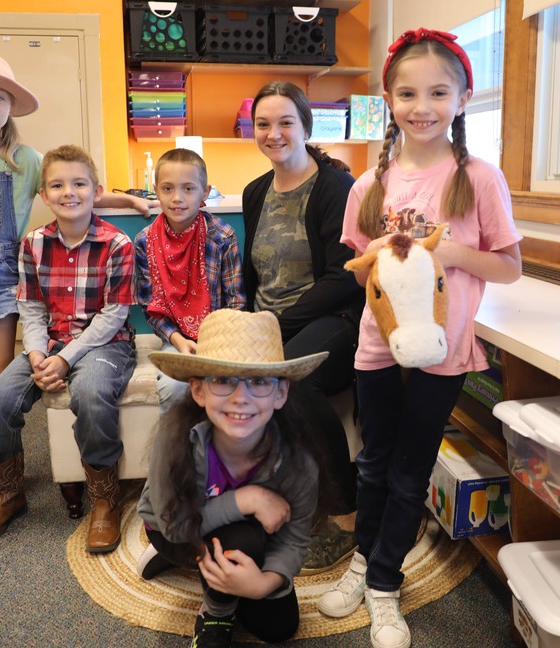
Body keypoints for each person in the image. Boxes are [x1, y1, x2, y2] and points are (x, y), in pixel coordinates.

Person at [317, 29, 522, 648]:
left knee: (411, 470)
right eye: (407, 93)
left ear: (462, 99)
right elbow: (356, 267)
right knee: (374, 460)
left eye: (438, 92)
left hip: (445, 347)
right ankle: (362, 560)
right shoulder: (368, 186)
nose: (422, 106)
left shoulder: (477, 178)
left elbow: (509, 266)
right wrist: (380, 249)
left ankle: (384, 584)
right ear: (387, 99)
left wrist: (454, 251)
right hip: (378, 347)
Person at [0, 52, 151, 517]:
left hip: (4, 273)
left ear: (10, 106)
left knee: (2, 373)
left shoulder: (27, 161)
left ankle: (16, 474)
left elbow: (74, 186)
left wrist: (128, 200)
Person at [0, 144, 137, 552]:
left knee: (93, 395)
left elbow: (113, 316)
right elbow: (32, 308)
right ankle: (7, 493)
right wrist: (40, 354)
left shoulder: (117, 244)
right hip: (51, 344)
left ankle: (103, 500)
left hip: (105, 344)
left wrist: (64, 358)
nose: (69, 192)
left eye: (79, 183)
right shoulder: (34, 244)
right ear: (44, 194)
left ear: (96, 190)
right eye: (57, 185)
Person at [137, 308, 328, 647]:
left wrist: (263, 583)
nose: (241, 398)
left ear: (281, 393)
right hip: (175, 530)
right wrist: (246, 499)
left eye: (258, 381)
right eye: (224, 380)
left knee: (279, 628)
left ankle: (222, 568)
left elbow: (296, 539)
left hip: (234, 529)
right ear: (198, 390)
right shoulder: (174, 437)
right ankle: (215, 612)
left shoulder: (298, 458)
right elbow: (174, 524)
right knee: (242, 541)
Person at [243, 81, 365, 568]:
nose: (274, 133)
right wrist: (251, 323)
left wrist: (276, 324)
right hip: (270, 321)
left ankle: (346, 511)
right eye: (263, 124)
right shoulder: (257, 191)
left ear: (305, 127)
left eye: (285, 122)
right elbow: (257, 273)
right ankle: (262, 497)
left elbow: (343, 279)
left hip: (331, 317)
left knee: (296, 377)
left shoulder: (336, 188)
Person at [134, 148, 245, 413]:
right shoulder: (143, 241)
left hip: (221, 339)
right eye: (168, 188)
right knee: (174, 388)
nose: (177, 198)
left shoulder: (222, 237)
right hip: (175, 340)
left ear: (204, 193)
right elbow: (150, 308)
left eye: (188, 188)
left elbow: (237, 303)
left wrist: (215, 344)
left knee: (226, 385)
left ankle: (218, 451)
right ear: (156, 192)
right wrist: (177, 340)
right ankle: (177, 453)